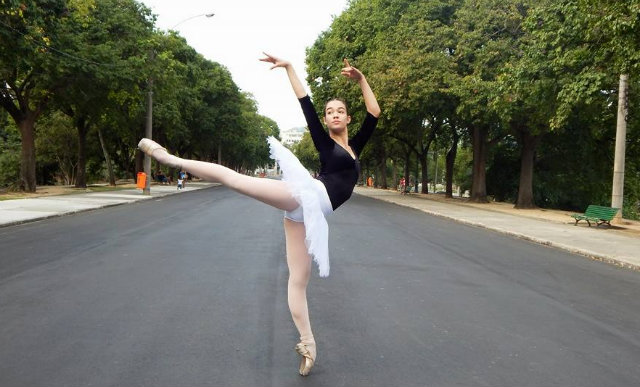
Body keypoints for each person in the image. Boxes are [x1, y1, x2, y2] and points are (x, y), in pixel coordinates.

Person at [137, 53, 380, 376]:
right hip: (307, 196)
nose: (334, 115)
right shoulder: (324, 143)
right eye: (329, 112)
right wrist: (290, 68)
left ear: (348, 119)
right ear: (326, 119)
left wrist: (362, 79)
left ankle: (308, 344)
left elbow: (374, 112)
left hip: (308, 217)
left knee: (298, 281)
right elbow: (304, 101)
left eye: (340, 111)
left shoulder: (355, 147)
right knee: (236, 179)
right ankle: (170, 160)